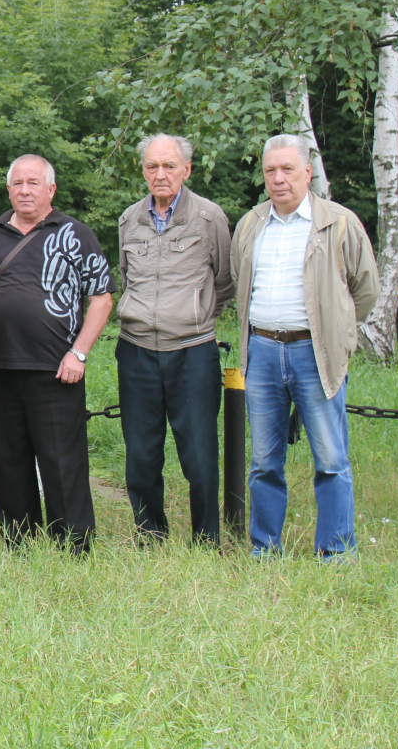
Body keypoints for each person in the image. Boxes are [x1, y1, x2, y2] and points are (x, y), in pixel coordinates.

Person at [231, 134, 378, 560]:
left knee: (331, 458)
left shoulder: (338, 222)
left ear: (307, 172)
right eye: (270, 171)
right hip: (261, 353)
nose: (279, 179)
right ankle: (264, 549)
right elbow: (241, 283)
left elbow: (364, 291)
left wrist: (339, 333)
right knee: (263, 461)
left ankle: (335, 552)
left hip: (315, 354)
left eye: (288, 169)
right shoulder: (252, 224)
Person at [0, 154, 113, 555]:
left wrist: (78, 354)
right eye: (18, 183)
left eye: (34, 183)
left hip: (57, 369)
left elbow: (101, 299)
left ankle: (74, 546)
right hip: (0, 366)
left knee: (62, 462)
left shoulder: (76, 233)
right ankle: (19, 542)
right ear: (8, 188)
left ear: (51, 189)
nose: (25, 190)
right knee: (9, 461)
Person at [114, 134, 234, 545]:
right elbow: (127, 278)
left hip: (192, 351)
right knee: (142, 454)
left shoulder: (209, 217)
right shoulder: (130, 220)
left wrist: (194, 317)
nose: (160, 174)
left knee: (199, 455)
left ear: (186, 169)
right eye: (152, 166)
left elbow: (225, 282)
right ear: (143, 171)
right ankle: (150, 534)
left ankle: (206, 537)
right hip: (136, 350)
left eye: (168, 166)